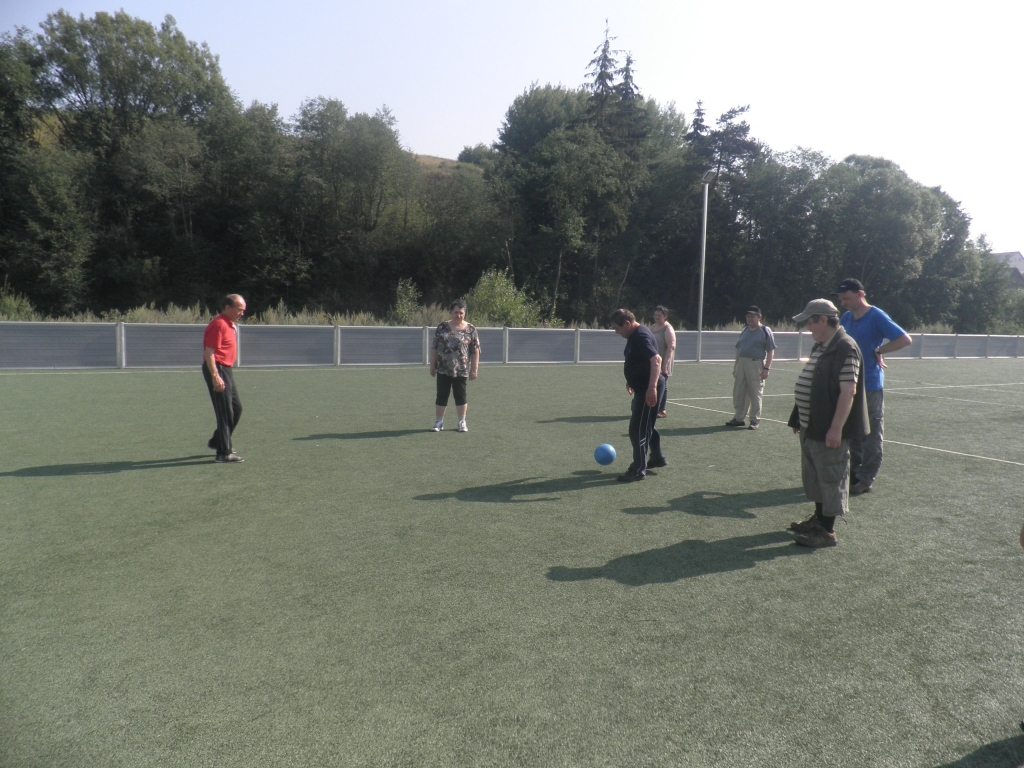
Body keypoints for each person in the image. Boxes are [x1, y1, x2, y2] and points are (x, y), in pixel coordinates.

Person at [787, 299, 869, 547]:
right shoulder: (822, 345)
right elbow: (811, 382)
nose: (807, 328)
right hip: (812, 425)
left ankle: (827, 531)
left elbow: (848, 391)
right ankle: (819, 519)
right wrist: (798, 416)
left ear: (823, 320)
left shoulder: (845, 347)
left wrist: (836, 429)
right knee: (815, 475)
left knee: (831, 476)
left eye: (810, 322)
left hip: (828, 428)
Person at [834, 278, 913, 495]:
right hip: (849, 383)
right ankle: (853, 473)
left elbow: (904, 339)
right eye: (841, 299)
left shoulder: (876, 316)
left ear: (860, 295)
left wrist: (880, 351)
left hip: (870, 385)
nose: (843, 303)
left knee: (871, 434)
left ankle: (866, 478)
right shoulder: (847, 318)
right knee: (852, 431)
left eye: (846, 298)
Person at [611, 308, 665, 482]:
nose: (616, 332)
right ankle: (657, 457)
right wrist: (631, 380)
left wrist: (652, 388)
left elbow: (656, 360)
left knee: (638, 429)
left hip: (648, 388)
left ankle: (638, 470)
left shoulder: (640, 335)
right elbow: (638, 360)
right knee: (646, 424)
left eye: (618, 328)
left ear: (627, 324)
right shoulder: (634, 335)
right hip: (641, 387)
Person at [203, 294, 246, 463]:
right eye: (239, 310)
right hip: (218, 368)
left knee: (236, 408)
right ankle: (224, 453)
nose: (242, 313)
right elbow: (209, 351)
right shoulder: (219, 324)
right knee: (225, 411)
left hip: (226, 369)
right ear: (228, 308)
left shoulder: (230, 324)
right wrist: (215, 376)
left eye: (243, 310)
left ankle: (218, 441)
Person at [429, 300, 480, 433]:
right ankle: (439, 422)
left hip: (461, 370)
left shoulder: (471, 329)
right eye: (456, 312)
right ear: (451, 313)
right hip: (443, 368)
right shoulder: (442, 327)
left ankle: (462, 422)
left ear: (465, 313)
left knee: (460, 396)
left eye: (461, 313)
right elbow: (434, 347)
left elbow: (475, 350)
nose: (458, 315)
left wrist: (474, 370)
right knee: (441, 395)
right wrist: (432, 365)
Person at [725, 305, 776, 430]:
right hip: (742, 364)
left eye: (753, 316)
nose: (750, 318)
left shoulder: (765, 331)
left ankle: (754, 420)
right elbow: (739, 350)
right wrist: (736, 366)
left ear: (759, 317)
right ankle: (739, 418)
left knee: (755, 393)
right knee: (739, 392)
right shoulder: (745, 331)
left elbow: (771, 351)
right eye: (748, 316)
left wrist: (766, 369)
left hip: (756, 364)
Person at [651, 306, 677, 419]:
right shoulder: (653, 327)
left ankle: (662, 410)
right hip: (654, 361)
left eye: (659, 315)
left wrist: (664, 365)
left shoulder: (668, 329)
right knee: (654, 383)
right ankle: (653, 407)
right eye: (655, 315)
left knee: (663, 385)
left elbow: (671, 347)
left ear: (665, 317)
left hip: (664, 361)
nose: (657, 317)